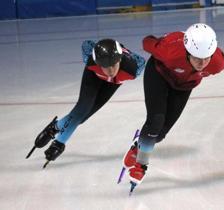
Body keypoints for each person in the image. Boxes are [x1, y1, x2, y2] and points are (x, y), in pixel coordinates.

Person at [122, 23, 224, 192]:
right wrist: (164, 39)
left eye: (206, 58)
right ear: (187, 51)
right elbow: (147, 42)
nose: (202, 63)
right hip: (159, 74)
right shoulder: (170, 51)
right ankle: (141, 165)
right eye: (197, 58)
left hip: (184, 85)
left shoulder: (217, 63)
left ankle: (137, 145)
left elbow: (207, 62)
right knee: (155, 121)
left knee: (160, 134)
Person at [26, 38, 145, 168]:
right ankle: (58, 142)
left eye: (114, 65)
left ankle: (54, 128)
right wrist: (59, 143)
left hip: (112, 84)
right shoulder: (91, 60)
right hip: (93, 76)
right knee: (81, 110)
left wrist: (123, 50)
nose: (110, 70)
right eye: (106, 66)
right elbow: (87, 44)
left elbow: (141, 60)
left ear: (120, 59)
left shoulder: (133, 69)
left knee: (81, 119)